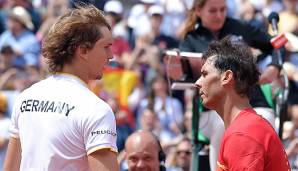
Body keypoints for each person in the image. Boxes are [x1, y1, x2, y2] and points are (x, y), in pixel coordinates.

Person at [3, 5, 119, 171]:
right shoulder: (96, 109)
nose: (111, 55)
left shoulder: (25, 98)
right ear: (83, 51)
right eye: (106, 46)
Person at [195, 36, 290, 170]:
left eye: (205, 74)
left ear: (227, 77)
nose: (197, 83)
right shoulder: (244, 128)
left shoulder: (242, 134)